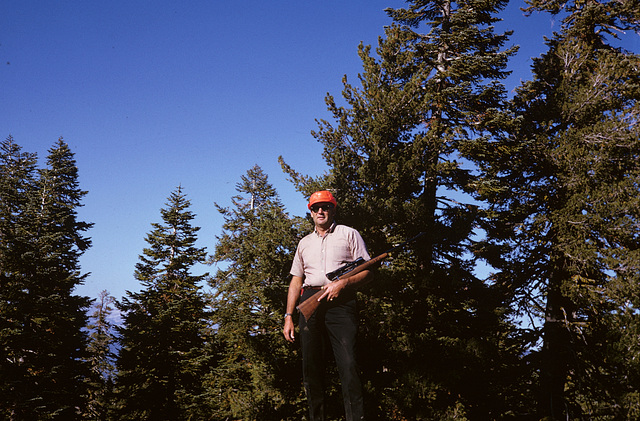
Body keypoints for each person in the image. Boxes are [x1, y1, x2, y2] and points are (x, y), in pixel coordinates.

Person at [283, 190, 372, 421]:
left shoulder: (349, 234)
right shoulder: (304, 243)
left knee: (349, 366)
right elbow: (296, 280)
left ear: (333, 209)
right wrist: (289, 316)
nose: (320, 211)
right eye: (315, 208)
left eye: (325, 207)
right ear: (310, 212)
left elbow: (368, 271)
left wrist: (344, 283)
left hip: (341, 304)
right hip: (309, 303)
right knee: (311, 370)